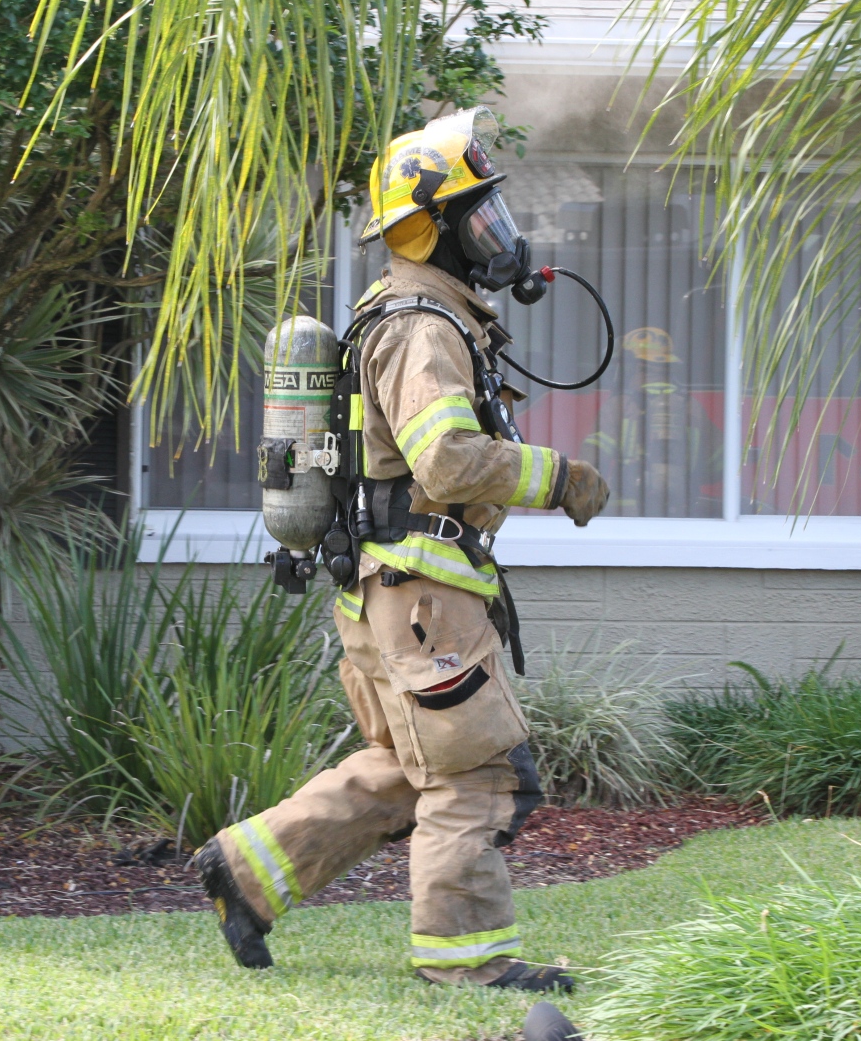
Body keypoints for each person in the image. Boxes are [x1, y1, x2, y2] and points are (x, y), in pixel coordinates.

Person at [192, 108, 610, 993]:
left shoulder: (414, 313)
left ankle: (247, 869)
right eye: (477, 218)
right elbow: (447, 462)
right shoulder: (423, 328)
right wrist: (562, 477)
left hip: (389, 593)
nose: (497, 234)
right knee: (475, 774)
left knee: (417, 766)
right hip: (423, 599)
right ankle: (468, 960)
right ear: (429, 230)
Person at [584, 326, 722, 517]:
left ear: (633, 366)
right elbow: (719, 467)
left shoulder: (619, 407)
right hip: (682, 515)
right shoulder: (692, 408)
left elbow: (590, 465)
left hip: (627, 516)